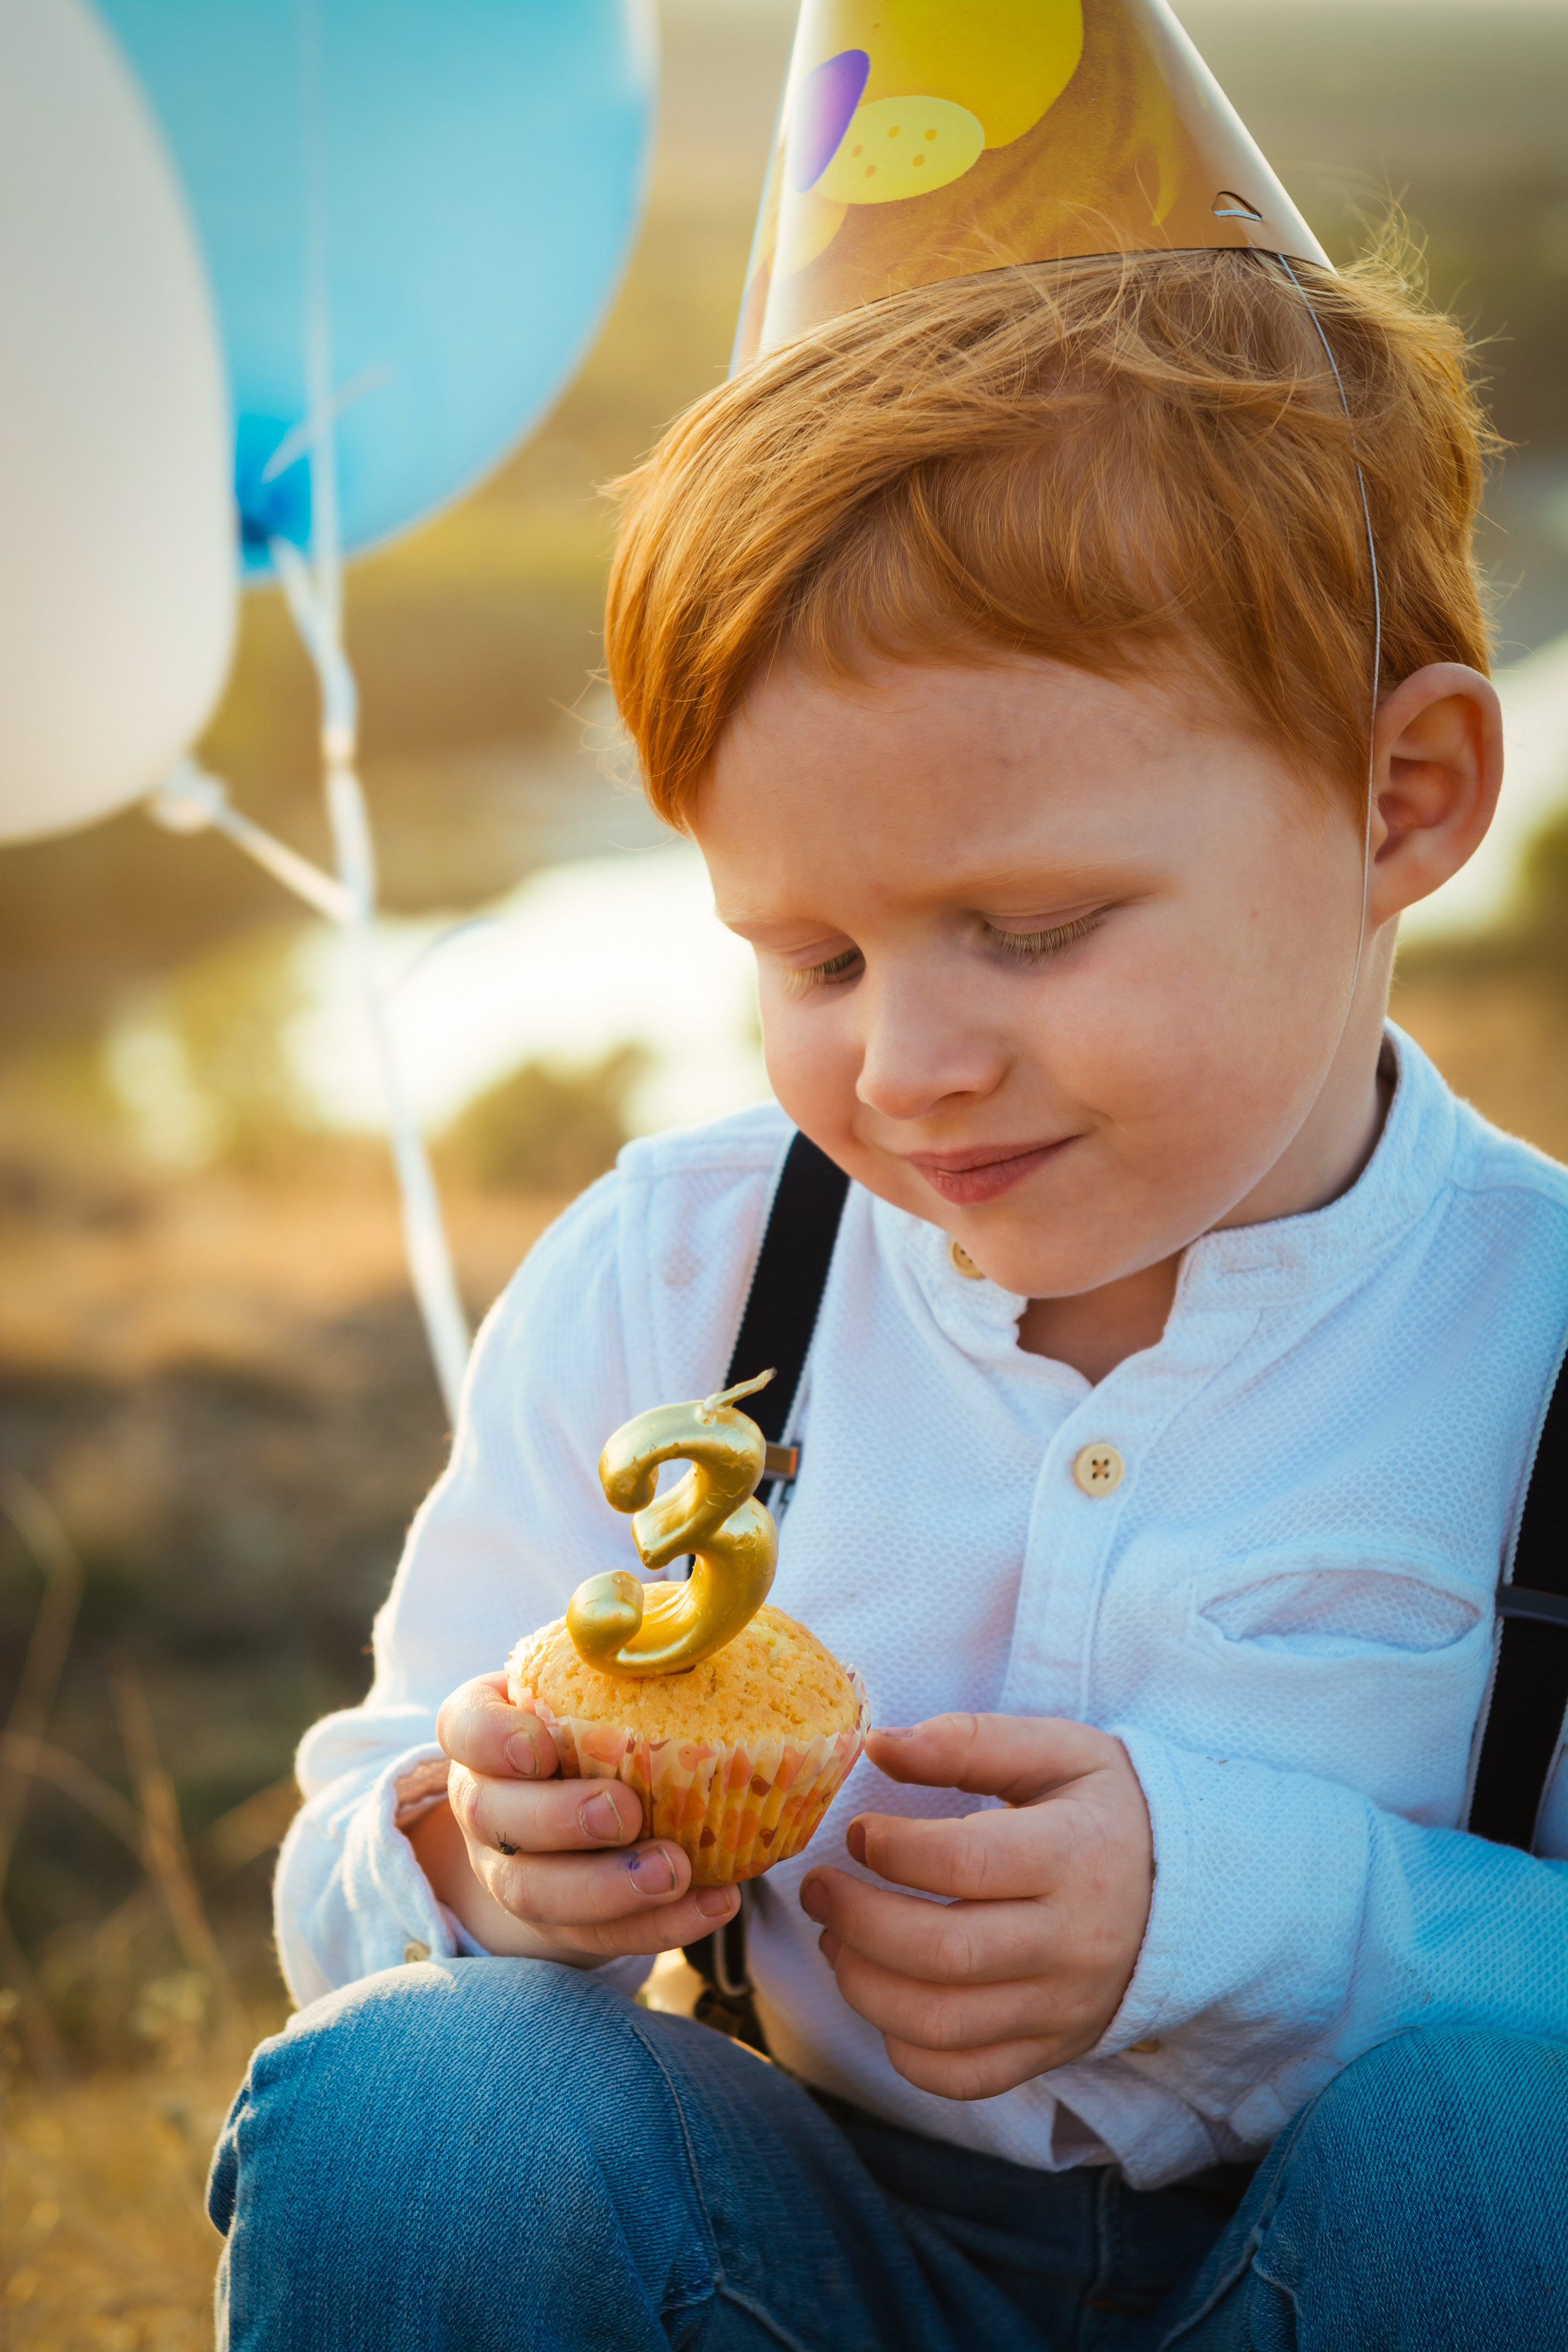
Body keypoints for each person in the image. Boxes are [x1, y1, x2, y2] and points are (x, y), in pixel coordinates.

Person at [209, 16, 1568, 2351]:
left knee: (1514, 2138)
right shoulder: (680, 1273)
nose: (912, 1063)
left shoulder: (1537, 1343)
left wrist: (1255, 1904)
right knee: (430, 2107)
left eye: (1031, 929)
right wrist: (464, 1847)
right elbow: (349, 1855)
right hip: (792, 2261)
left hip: (1360, 2282)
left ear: (1406, 802)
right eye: (811, 953)